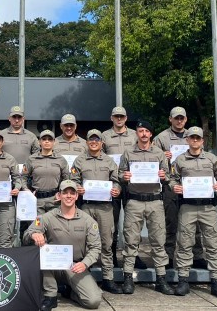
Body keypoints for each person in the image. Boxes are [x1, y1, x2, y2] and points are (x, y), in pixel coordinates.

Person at [168, 126, 217, 298]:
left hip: (208, 207)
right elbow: (172, 178)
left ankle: (216, 282)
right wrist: (175, 187)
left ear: (202, 140)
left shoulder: (212, 159)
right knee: (184, 242)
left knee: (212, 243)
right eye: (192, 137)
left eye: (198, 138)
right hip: (187, 206)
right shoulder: (179, 160)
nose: (195, 140)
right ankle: (183, 280)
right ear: (187, 139)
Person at [24, 180, 103, 311]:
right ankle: (50, 296)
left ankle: (69, 292)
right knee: (43, 251)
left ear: (77, 196)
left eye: (72, 193)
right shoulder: (46, 217)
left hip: (75, 266)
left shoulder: (88, 220)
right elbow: (27, 233)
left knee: (93, 301)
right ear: (59, 196)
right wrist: (34, 235)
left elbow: (96, 247)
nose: (69, 196)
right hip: (52, 266)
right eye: (65, 193)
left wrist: (84, 263)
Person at [117, 121, 174, 295]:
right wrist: (124, 176)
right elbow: (119, 174)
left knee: (158, 241)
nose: (143, 134)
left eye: (146, 131)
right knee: (131, 241)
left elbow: (169, 176)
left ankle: (161, 279)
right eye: (140, 131)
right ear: (137, 134)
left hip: (155, 201)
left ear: (150, 134)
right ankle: (128, 278)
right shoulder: (128, 153)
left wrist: (164, 176)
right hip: (134, 202)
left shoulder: (158, 153)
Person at [71, 129, 123, 294]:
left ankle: (108, 278)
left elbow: (117, 180)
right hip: (86, 206)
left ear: (102, 142)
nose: (94, 142)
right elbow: (72, 180)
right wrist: (77, 188)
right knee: (85, 243)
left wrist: (117, 189)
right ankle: (86, 278)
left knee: (106, 242)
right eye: (90, 139)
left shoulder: (109, 161)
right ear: (86, 142)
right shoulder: (79, 161)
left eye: (97, 140)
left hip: (105, 208)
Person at [153, 106, 204, 268]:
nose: (179, 120)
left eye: (182, 118)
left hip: (192, 185)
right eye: (176, 118)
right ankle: (168, 256)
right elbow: (151, 159)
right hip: (170, 185)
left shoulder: (193, 136)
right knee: (171, 222)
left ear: (186, 119)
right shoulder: (162, 138)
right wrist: (162, 155)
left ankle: (197, 256)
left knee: (194, 222)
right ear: (170, 119)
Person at [100, 106, 136, 268]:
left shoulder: (135, 135)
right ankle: (111, 254)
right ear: (111, 118)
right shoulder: (104, 136)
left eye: (122, 116)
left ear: (126, 118)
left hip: (132, 184)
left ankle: (133, 256)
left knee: (133, 223)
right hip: (112, 184)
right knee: (111, 223)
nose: (119, 119)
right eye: (116, 116)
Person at [24, 130, 70, 216]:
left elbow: (67, 179)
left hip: (55, 200)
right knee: (37, 227)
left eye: (50, 139)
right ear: (39, 142)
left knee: (54, 227)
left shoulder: (61, 160)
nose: (47, 141)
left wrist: (61, 193)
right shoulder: (31, 159)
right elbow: (23, 177)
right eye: (44, 139)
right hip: (36, 200)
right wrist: (27, 191)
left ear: (54, 142)